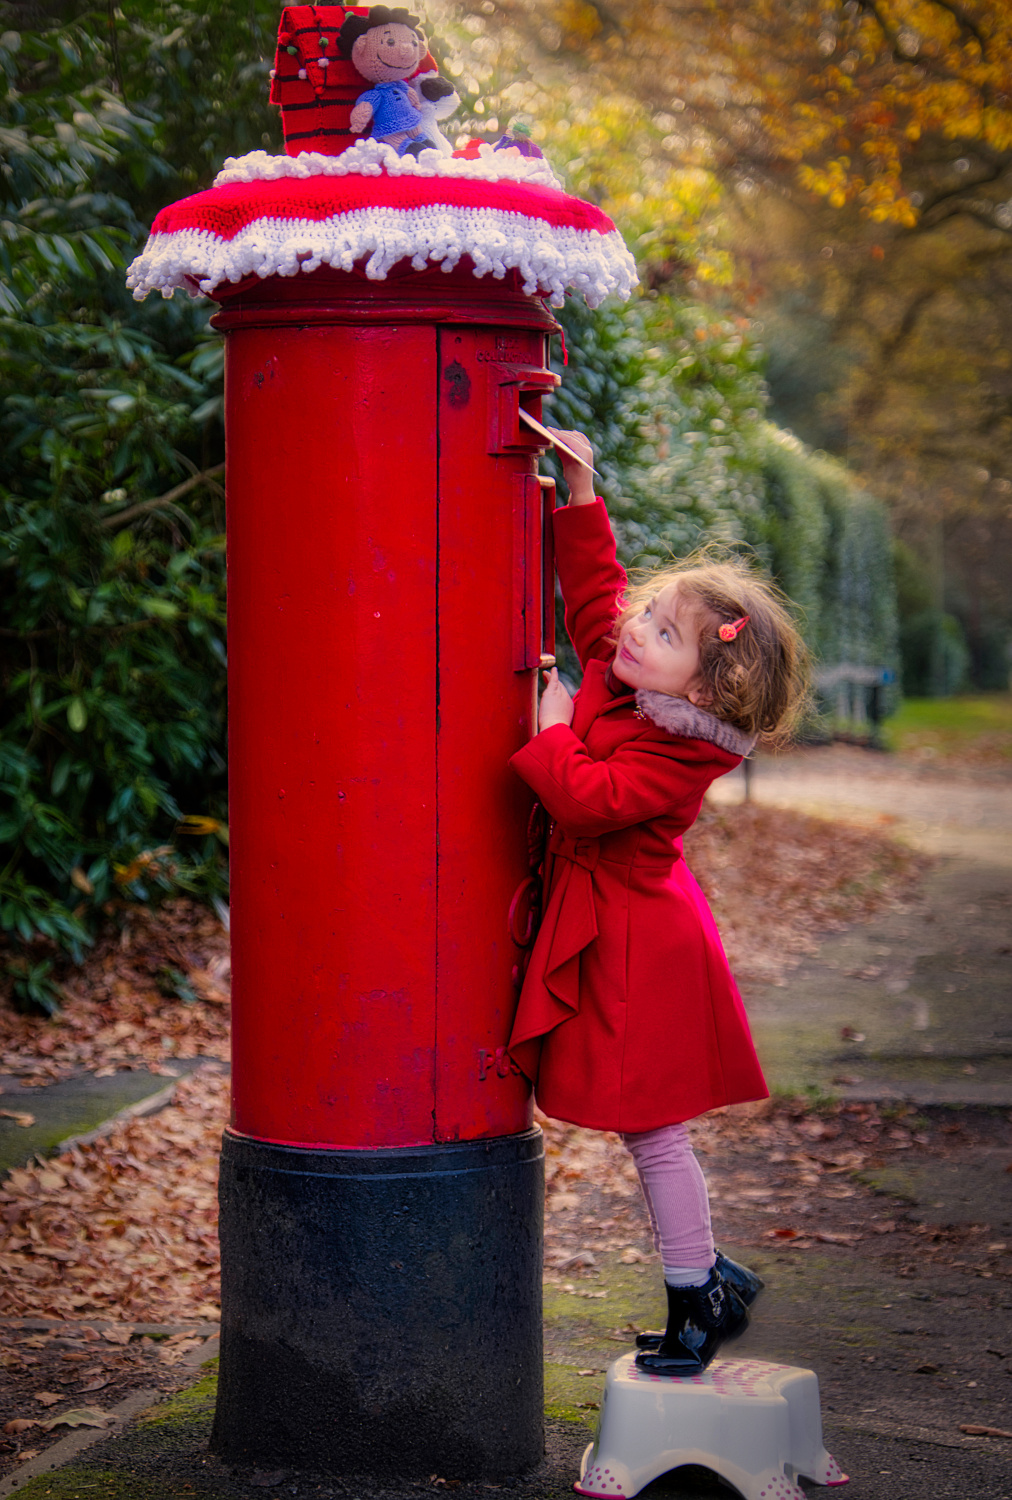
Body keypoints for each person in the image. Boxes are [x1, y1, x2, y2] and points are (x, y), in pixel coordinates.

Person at [508, 429, 808, 1376]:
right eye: (652, 615)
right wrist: (579, 484)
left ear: (707, 689)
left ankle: (697, 1296)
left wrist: (553, 730)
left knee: (653, 1131)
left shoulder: (683, 748)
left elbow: (591, 800)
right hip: (608, 923)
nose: (636, 630)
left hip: (640, 943)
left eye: (664, 634)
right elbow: (596, 593)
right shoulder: (631, 670)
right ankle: (711, 1275)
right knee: (647, 1129)